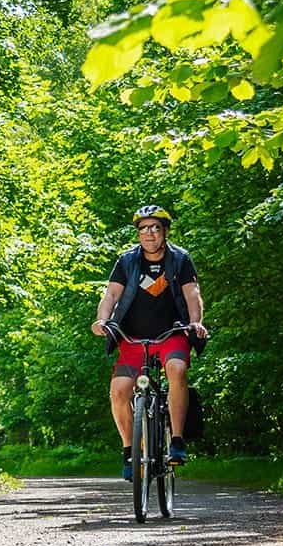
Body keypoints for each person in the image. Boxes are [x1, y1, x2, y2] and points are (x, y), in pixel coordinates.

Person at [89, 205, 208, 478]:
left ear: (165, 231)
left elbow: (192, 295)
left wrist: (196, 321)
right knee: (119, 391)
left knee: (177, 370)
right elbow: (110, 296)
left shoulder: (180, 259)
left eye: (155, 228)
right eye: (143, 229)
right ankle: (130, 451)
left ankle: (176, 441)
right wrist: (102, 320)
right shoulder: (127, 261)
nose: (149, 233)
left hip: (172, 333)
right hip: (132, 338)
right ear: (138, 234)